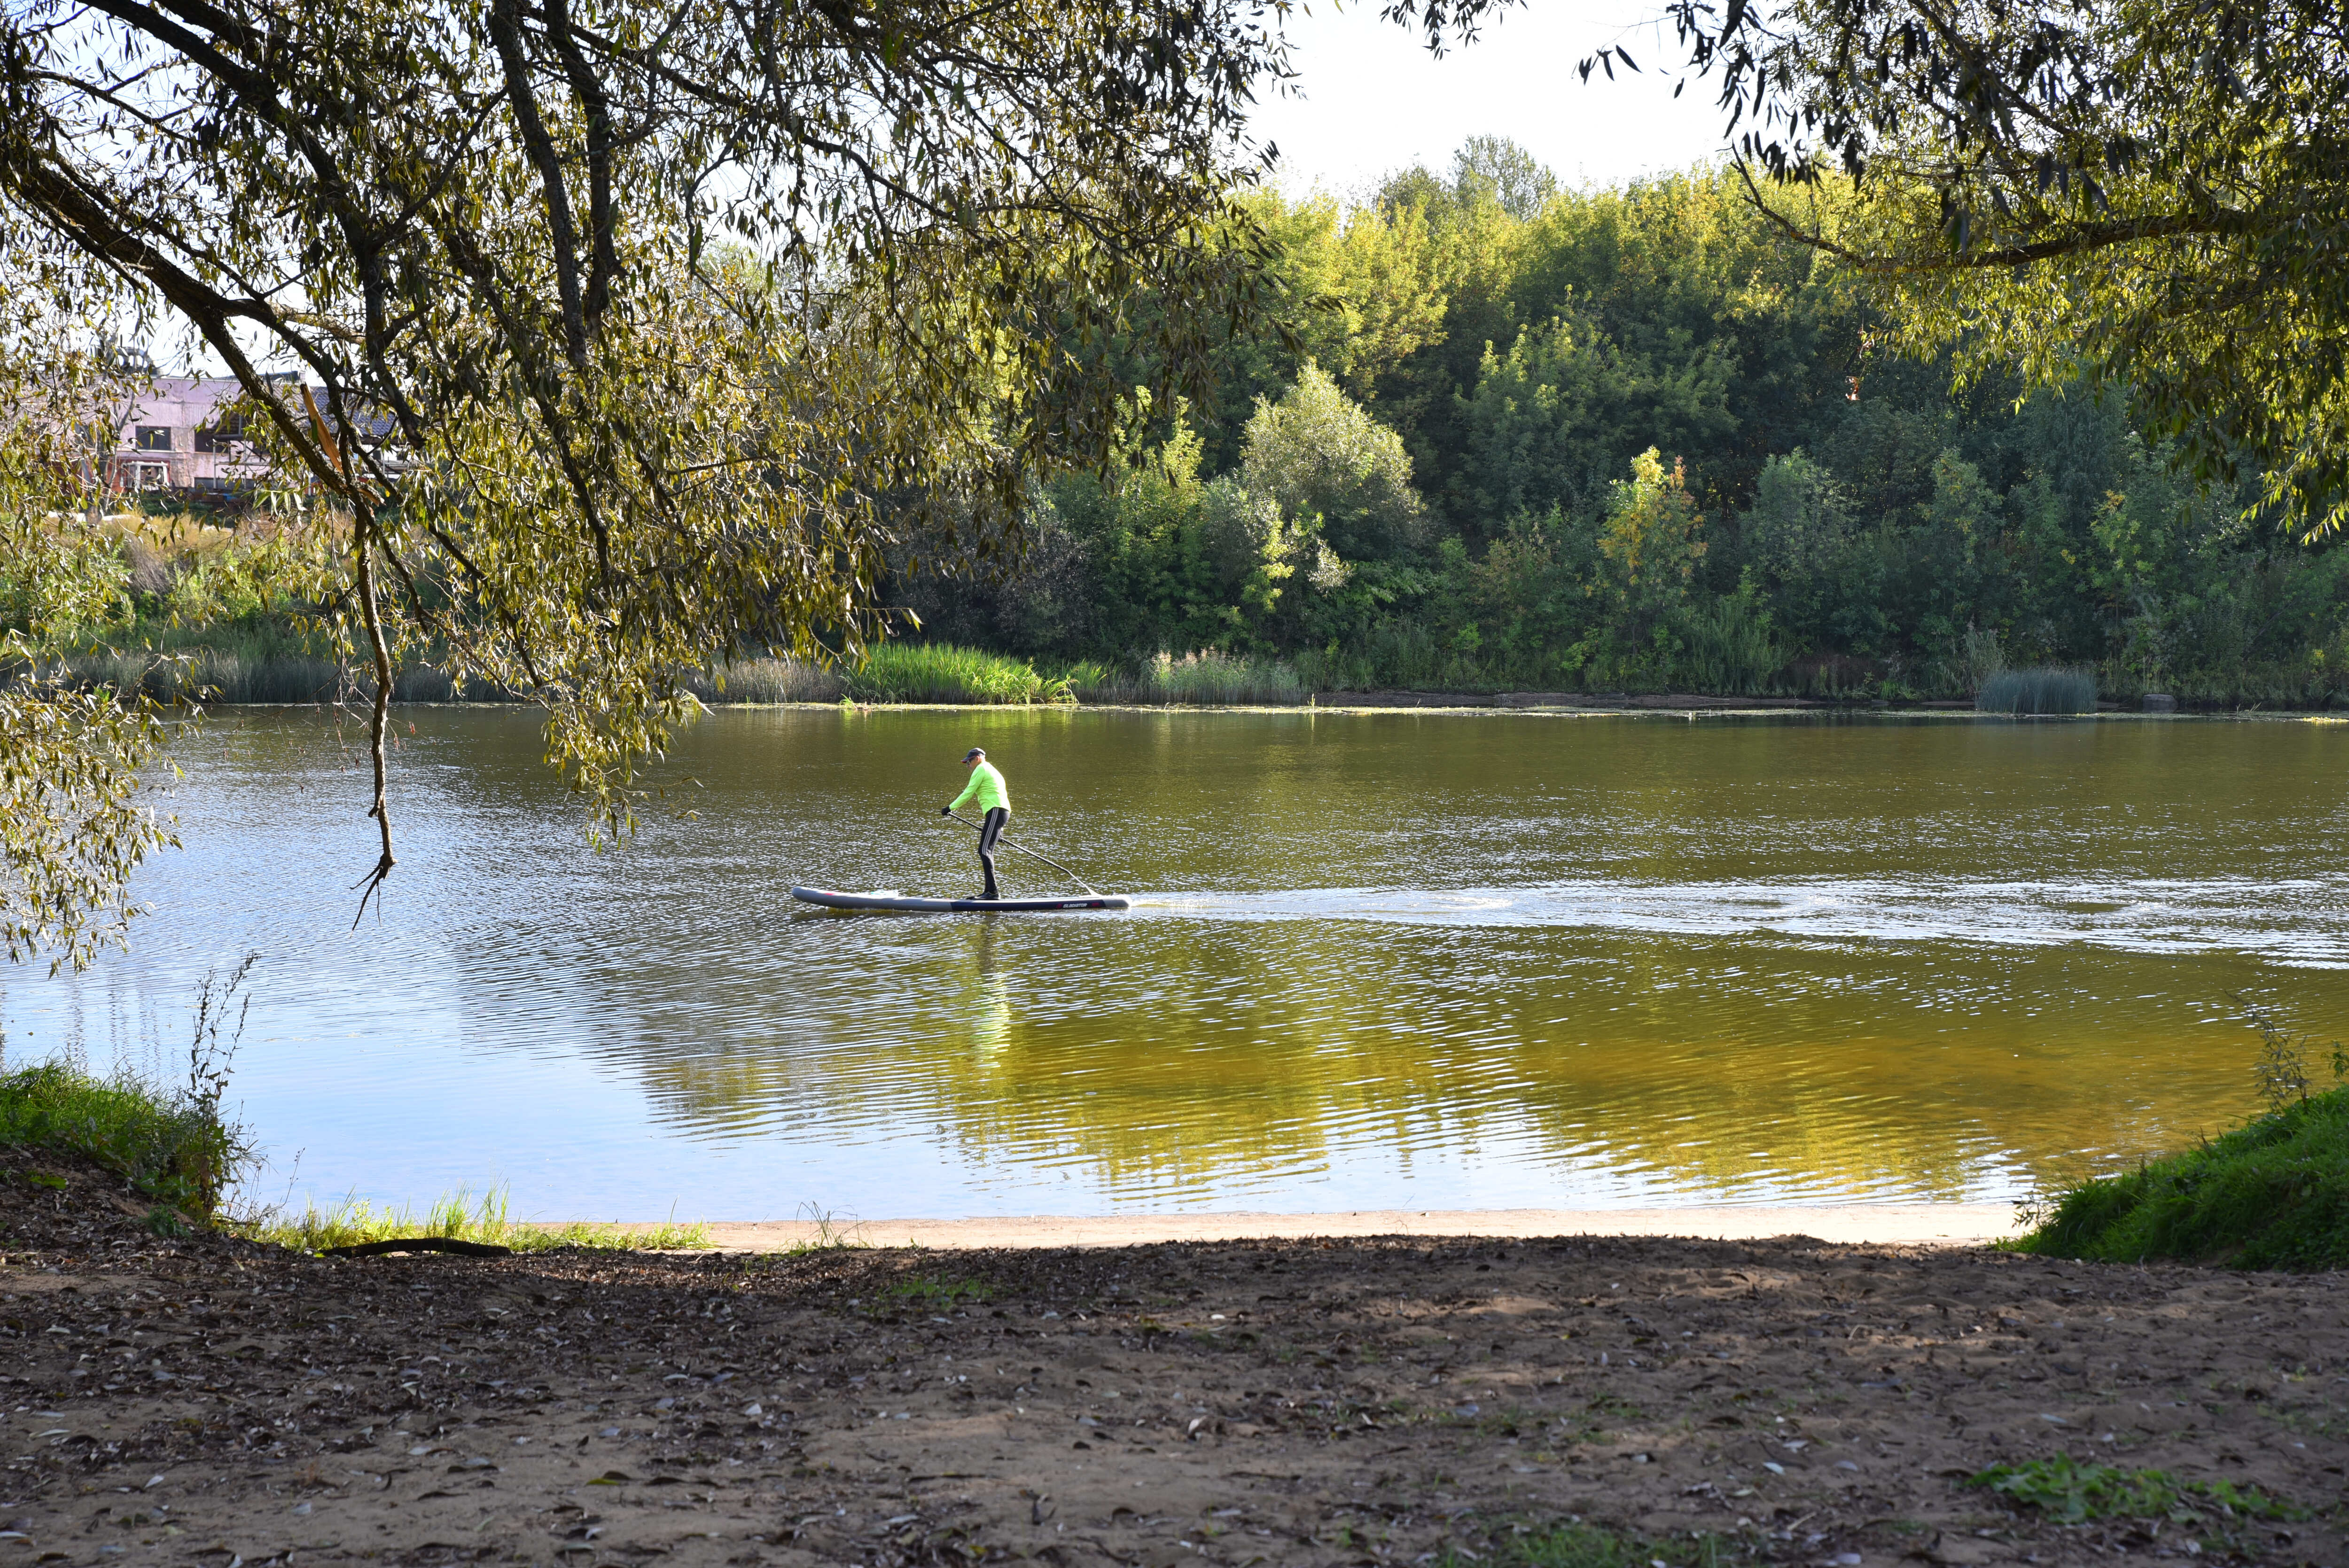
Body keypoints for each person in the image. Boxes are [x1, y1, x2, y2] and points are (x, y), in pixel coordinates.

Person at [942, 747, 1011, 900]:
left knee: (984, 851)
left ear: (978, 759)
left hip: (996, 811)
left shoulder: (981, 769)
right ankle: (989, 892)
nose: (968, 765)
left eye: (969, 762)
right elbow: (1000, 794)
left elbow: (969, 792)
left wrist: (950, 808)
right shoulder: (992, 770)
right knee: (987, 851)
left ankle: (993, 893)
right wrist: (1000, 829)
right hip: (1000, 813)